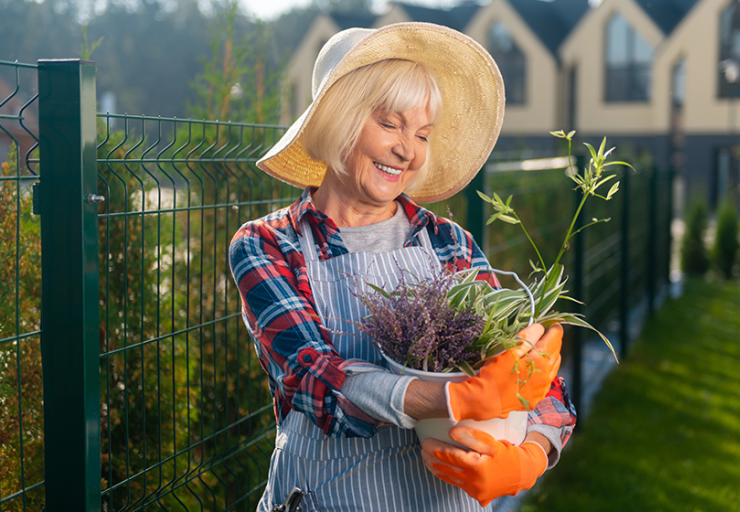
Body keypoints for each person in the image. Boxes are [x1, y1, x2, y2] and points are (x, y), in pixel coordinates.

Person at [229, 22, 576, 511]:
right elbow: (317, 380)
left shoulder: (448, 243)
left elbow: (537, 383)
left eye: (423, 133)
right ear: (338, 119)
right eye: (390, 124)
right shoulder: (270, 246)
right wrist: (456, 401)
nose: (407, 150)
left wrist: (529, 457)